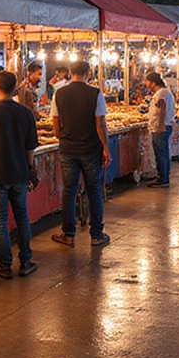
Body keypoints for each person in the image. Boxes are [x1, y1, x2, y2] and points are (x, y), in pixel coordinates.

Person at [0, 71, 39, 279]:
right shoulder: (26, 113)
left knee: (0, 220)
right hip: (20, 171)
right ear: (15, 88)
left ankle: (5, 264)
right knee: (22, 216)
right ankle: (26, 261)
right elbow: (31, 146)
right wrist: (30, 168)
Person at [51, 61, 112, 247]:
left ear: (70, 72)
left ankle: (68, 234)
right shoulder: (95, 93)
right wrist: (106, 148)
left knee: (69, 191)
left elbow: (55, 123)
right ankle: (96, 234)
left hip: (68, 150)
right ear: (89, 72)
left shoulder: (59, 93)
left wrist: (63, 138)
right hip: (90, 150)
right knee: (94, 191)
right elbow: (100, 124)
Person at [145, 72, 176, 188]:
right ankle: (164, 176)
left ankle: (162, 178)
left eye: (147, 81)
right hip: (164, 125)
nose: (146, 84)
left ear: (152, 83)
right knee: (164, 152)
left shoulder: (161, 93)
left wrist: (160, 125)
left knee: (160, 153)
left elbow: (162, 109)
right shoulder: (164, 92)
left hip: (161, 127)